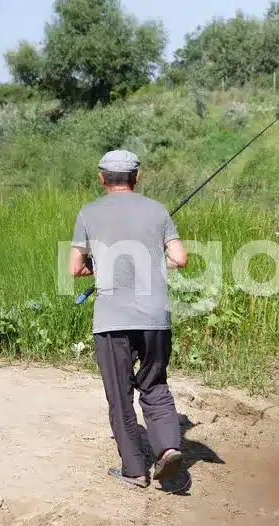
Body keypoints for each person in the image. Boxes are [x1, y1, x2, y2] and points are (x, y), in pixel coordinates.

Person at [68, 150, 189, 488]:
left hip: (111, 321)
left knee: (119, 395)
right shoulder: (158, 210)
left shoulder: (88, 212)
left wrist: (100, 267)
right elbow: (180, 258)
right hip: (154, 317)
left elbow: (75, 268)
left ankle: (135, 470)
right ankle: (168, 448)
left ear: (101, 178)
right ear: (137, 177)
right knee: (155, 383)